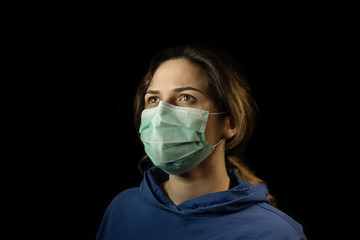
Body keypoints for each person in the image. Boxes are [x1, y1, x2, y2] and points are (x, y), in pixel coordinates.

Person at [96, 44, 307, 239]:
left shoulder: (273, 232)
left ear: (229, 123)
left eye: (186, 97)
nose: (162, 113)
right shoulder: (122, 210)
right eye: (153, 99)